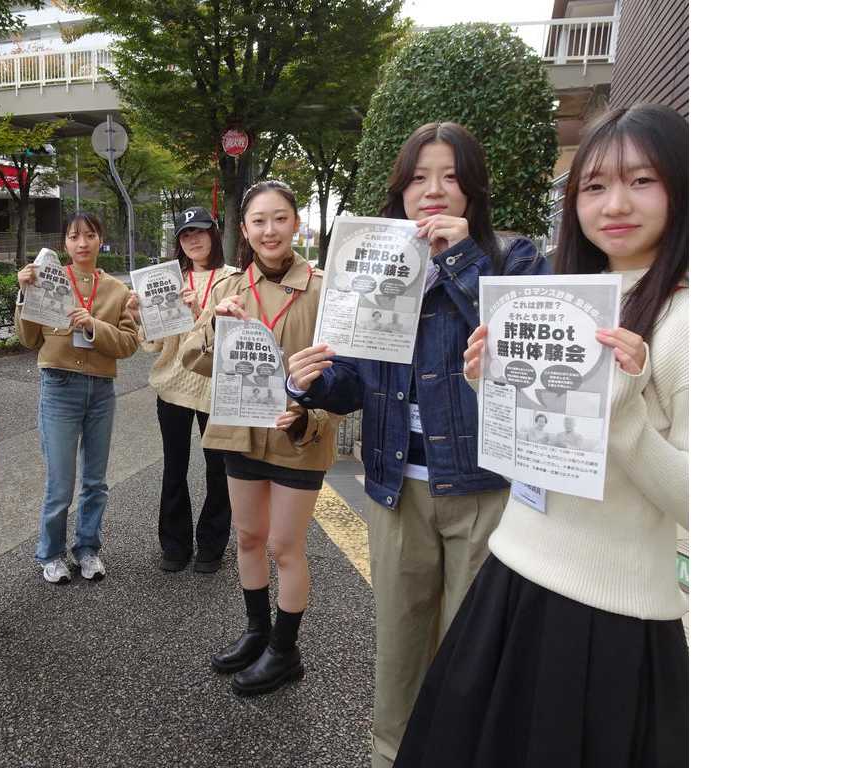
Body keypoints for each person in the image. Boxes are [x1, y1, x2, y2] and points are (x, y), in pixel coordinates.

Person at [396, 103, 689, 766]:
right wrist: (489, 387)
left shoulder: (688, 319)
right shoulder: (564, 297)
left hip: (609, 613)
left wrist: (625, 422)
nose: (615, 204)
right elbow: (538, 445)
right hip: (512, 575)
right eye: (594, 185)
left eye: (642, 181)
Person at [284, 122, 549, 768]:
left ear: (474, 189)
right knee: (399, 643)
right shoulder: (374, 264)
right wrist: (312, 382)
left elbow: (525, 352)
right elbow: (353, 383)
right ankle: (391, 755)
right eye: (419, 178)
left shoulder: (513, 258)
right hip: (395, 487)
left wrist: (459, 260)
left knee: (472, 649)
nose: (433, 190)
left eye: (450, 176)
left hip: (485, 488)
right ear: (400, 190)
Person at [178, 180, 341, 696]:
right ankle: (257, 632)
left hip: (298, 435)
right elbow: (192, 358)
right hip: (241, 431)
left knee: (284, 546)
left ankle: (285, 650)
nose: (270, 230)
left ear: (296, 223)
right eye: (258, 221)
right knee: (248, 537)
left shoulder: (323, 289)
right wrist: (214, 327)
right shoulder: (229, 290)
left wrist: (310, 418)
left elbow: (345, 376)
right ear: (244, 230)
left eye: (279, 218)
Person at [17, 212, 140, 584]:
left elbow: (128, 344)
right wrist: (24, 294)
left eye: (89, 235)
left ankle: (87, 548)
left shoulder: (117, 291)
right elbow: (29, 339)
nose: (82, 243)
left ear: (101, 239)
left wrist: (93, 324)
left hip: (101, 389)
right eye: (74, 236)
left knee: (95, 480)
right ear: (65, 243)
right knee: (60, 482)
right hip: (58, 385)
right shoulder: (49, 280)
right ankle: (51, 554)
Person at [138, 207, 238, 573]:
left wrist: (201, 314)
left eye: (200, 231)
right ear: (179, 242)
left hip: (216, 387)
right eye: (185, 234)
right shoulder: (167, 280)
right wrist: (140, 315)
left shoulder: (235, 279)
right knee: (174, 467)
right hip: (173, 384)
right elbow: (152, 345)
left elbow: (236, 335)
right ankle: (174, 544)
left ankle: (212, 545)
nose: (193, 239)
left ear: (214, 233)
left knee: (219, 469)